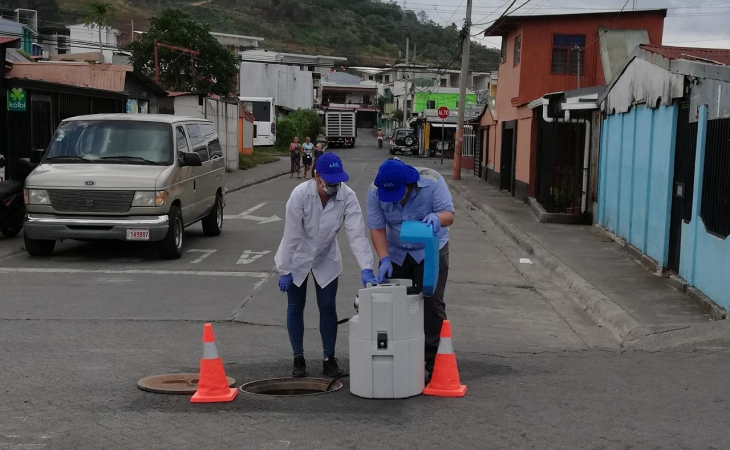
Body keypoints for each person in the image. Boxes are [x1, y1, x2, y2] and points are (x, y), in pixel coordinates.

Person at [276, 153, 377, 378]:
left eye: (337, 181)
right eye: (329, 181)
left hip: (326, 256)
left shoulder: (347, 196)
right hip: (297, 255)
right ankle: (298, 358)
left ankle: (329, 359)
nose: (333, 186)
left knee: (328, 306)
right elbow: (291, 235)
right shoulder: (300, 195)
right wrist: (284, 269)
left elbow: (356, 233)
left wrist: (366, 267)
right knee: (295, 305)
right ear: (317, 176)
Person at [366, 158, 454, 378]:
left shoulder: (432, 181)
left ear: (408, 184)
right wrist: (384, 258)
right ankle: (399, 359)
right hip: (395, 252)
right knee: (392, 304)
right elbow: (377, 227)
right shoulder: (375, 191)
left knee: (431, 304)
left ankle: (435, 363)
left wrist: (437, 217)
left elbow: (449, 214)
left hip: (429, 249)